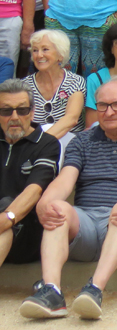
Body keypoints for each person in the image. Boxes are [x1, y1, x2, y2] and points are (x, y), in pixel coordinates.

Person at [19, 77, 117, 320]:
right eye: (102, 106)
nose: (108, 112)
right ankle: (52, 292)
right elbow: (65, 180)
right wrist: (45, 203)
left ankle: (94, 289)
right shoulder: (82, 141)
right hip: (86, 224)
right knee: (56, 207)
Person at [0, 77, 60, 267]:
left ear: (32, 112)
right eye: (6, 111)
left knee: (7, 204)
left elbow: (34, 191)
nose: (15, 117)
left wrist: (7, 218)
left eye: (22, 110)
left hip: (28, 233)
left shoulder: (47, 144)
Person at [24, 30, 84, 141]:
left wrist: (41, 143)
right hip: (35, 146)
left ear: (60, 55)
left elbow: (71, 119)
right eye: (35, 50)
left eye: (45, 49)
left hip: (70, 144)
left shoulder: (75, 82)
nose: (39, 55)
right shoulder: (24, 86)